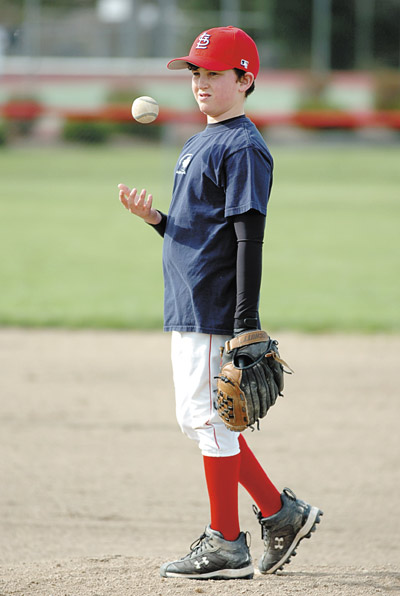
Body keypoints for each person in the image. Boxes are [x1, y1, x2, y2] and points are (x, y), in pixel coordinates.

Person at [118, 26, 322, 580]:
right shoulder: (200, 140)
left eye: (214, 72)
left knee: (209, 420)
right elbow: (198, 232)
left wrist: (245, 323)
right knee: (207, 421)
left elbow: (247, 237)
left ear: (245, 79)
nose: (201, 82)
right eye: (196, 72)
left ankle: (227, 542)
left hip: (214, 310)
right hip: (189, 303)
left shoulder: (243, 147)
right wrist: (157, 220)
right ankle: (282, 514)